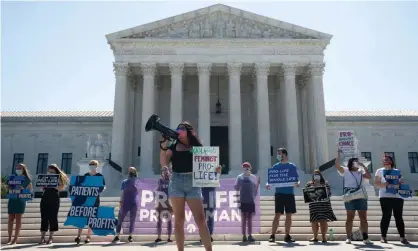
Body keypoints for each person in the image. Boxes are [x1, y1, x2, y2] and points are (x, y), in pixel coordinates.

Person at [160, 121, 221, 251]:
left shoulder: (196, 146)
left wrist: (216, 169)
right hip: (176, 181)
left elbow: (207, 162)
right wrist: (164, 165)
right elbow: (164, 157)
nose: (178, 130)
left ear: (188, 131)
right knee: (179, 220)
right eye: (178, 128)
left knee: (200, 219)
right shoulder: (173, 145)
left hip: (193, 182)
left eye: (181, 128)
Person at [335, 149, 372, 244]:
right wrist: (338, 155)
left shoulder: (360, 171)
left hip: (360, 194)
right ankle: (348, 237)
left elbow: (368, 176)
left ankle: (365, 237)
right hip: (349, 193)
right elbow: (337, 166)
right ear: (351, 163)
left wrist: (363, 166)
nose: (356, 164)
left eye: (357, 162)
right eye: (354, 162)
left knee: (363, 217)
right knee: (350, 217)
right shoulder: (346, 170)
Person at [266, 148, 300, 243]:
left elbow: (297, 179)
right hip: (279, 194)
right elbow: (271, 178)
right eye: (277, 154)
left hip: (289, 194)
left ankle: (287, 235)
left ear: (284, 155)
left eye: (279, 153)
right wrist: (267, 184)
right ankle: (272, 235)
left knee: (289, 215)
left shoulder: (292, 166)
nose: (278, 155)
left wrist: (298, 183)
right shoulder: (275, 166)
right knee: (277, 215)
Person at [374, 155, 409, 244]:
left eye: (387, 159)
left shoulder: (397, 171)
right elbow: (376, 183)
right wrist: (385, 184)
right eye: (383, 160)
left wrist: (400, 183)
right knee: (386, 216)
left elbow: (401, 182)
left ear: (391, 161)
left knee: (399, 217)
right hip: (385, 196)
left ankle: (402, 237)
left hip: (397, 197)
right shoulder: (380, 171)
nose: (385, 161)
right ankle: (383, 237)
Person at [75, 160, 106, 244]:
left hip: (95, 200)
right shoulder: (86, 175)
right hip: (85, 200)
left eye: (94, 165)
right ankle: (78, 236)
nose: (92, 166)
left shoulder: (100, 176)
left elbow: (102, 187)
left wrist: (96, 191)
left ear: (97, 166)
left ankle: (88, 237)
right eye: (90, 165)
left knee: (92, 218)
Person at [39, 164, 69, 244]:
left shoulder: (58, 177)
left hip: (54, 198)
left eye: (51, 169)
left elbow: (62, 187)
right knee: (44, 218)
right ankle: (42, 237)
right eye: (48, 169)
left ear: (55, 170)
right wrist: (42, 187)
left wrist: (54, 186)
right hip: (45, 198)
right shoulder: (45, 177)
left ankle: (51, 237)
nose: (49, 171)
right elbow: (41, 188)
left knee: (53, 218)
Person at [305, 170, 337, 243]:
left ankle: (324, 237)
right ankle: (315, 237)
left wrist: (320, 186)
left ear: (320, 175)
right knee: (314, 221)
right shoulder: (309, 184)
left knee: (323, 221)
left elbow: (329, 193)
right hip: (314, 205)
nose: (316, 175)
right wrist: (313, 186)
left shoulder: (325, 183)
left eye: (318, 174)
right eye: (315, 174)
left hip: (324, 205)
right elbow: (307, 193)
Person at [7, 163, 33, 245]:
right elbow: (8, 187)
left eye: (20, 168)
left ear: (23, 169)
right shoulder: (12, 177)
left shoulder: (27, 179)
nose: (18, 169)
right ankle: (9, 238)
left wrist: (23, 188)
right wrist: (10, 187)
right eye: (17, 168)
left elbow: (30, 190)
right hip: (12, 199)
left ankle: (15, 239)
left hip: (21, 200)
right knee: (10, 218)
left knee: (18, 219)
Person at [234, 162, 260, 242]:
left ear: (250, 167)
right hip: (243, 200)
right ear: (242, 168)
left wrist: (258, 183)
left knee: (250, 219)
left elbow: (255, 189)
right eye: (245, 167)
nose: (246, 168)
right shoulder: (239, 177)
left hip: (251, 200)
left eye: (247, 167)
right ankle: (244, 235)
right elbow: (236, 187)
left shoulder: (253, 177)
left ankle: (250, 235)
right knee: (243, 219)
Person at [113, 167, 139, 243]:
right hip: (125, 202)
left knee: (132, 219)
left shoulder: (138, 182)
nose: (130, 173)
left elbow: (140, 191)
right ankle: (117, 235)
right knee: (120, 218)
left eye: (132, 171)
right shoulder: (124, 182)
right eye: (130, 171)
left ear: (135, 172)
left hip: (134, 202)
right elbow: (122, 192)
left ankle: (130, 236)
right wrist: (120, 201)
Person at [155, 166, 173, 243]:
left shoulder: (171, 181)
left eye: (166, 170)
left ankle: (169, 237)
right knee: (159, 220)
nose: (165, 172)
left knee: (169, 220)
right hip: (161, 202)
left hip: (169, 203)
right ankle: (159, 237)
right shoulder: (160, 181)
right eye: (163, 170)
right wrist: (156, 203)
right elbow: (158, 190)